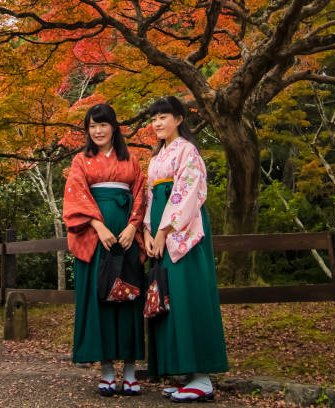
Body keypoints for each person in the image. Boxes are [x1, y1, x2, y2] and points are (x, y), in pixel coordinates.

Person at [143, 96, 228, 403]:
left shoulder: (187, 151)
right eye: (154, 119)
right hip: (161, 232)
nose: (157, 123)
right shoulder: (158, 156)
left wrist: (165, 230)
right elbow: (152, 196)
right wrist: (148, 231)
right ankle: (186, 373)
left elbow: (186, 192)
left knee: (189, 295)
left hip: (183, 233)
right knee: (170, 299)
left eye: (163, 117)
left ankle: (203, 377)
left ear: (179, 119)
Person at [62, 103, 146, 397]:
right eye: (92, 126)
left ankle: (132, 373)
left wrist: (133, 226)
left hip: (125, 237)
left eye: (103, 124)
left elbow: (140, 195)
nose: (97, 131)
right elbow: (75, 197)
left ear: (114, 127)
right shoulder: (80, 161)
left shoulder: (131, 161)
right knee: (102, 301)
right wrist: (98, 227)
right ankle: (108, 372)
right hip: (96, 239)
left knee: (129, 298)